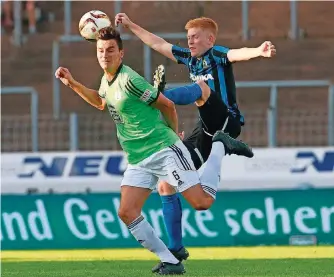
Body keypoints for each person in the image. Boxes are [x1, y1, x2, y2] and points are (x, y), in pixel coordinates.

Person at [55, 26, 253, 275]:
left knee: (202, 203)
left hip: (163, 148)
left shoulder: (130, 79)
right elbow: (101, 101)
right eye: (101, 50)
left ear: (121, 54)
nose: (105, 55)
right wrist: (72, 83)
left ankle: (220, 145)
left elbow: (167, 104)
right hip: (138, 158)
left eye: (110, 50)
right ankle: (170, 260)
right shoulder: (107, 81)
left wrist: (174, 134)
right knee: (126, 212)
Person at [115, 13, 276, 272]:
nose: (190, 42)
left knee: (201, 88)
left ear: (210, 39)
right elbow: (158, 44)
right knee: (167, 183)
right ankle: (176, 249)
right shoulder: (189, 59)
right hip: (207, 131)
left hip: (227, 120)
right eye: (188, 37)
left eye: (195, 37)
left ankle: (161, 95)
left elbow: (236, 54)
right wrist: (131, 25)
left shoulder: (216, 55)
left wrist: (258, 50)